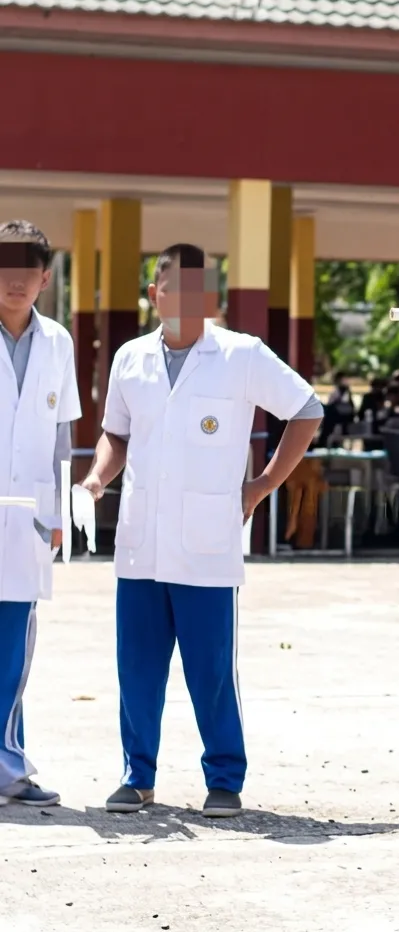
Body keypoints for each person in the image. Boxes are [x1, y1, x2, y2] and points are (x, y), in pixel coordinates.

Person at [80, 243, 322, 818]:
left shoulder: (242, 355)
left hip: (207, 542)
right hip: (141, 543)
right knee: (137, 668)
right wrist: (95, 479)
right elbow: (116, 433)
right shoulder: (129, 359)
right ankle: (137, 777)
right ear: (154, 296)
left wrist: (261, 485)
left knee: (211, 670)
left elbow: (306, 410)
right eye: (174, 290)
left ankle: (224, 778)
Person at [0, 221, 81, 808]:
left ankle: (10, 769)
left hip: (29, 516)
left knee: (14, 646)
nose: (15, 281)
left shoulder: (57, 342)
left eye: (27, 271)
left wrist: (59, 510)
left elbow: (61, 434)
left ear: (45, 279)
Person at [319, 370, 356, 445]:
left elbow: (351, 408)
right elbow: (330, 405)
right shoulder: (336, 392)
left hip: (343, 419)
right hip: (333, 418)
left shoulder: (346, 392)